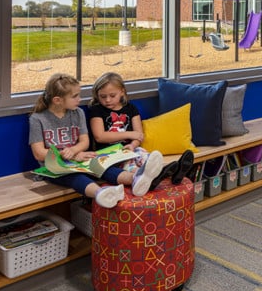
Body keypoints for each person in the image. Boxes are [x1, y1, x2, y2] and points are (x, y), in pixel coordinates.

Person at [29, 73, 163, 207]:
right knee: (75, 177)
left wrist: (75, 152)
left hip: (79, 159)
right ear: (58, 100)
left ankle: (136, 179)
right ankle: (101, 193)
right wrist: (71, 155)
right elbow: (38, 153)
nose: (79, 99)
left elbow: (84, 142)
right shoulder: (37, 119)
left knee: (101, 166)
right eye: (75, 96)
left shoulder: (77, 113)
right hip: (54, 167)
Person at [88, 72, 194, 190]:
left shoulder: (131, 108)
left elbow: (139, 135)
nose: (107, 100)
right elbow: (100, 136)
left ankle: (167, 171)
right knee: (131, 166)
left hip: (130, 150)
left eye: (112, 96)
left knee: (144, 156)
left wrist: (133, 145)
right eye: (103, 97)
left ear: (122, 91)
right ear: (97, 95)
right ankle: (154, 178)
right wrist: (129, 134)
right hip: (109, 155)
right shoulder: (96, 110)